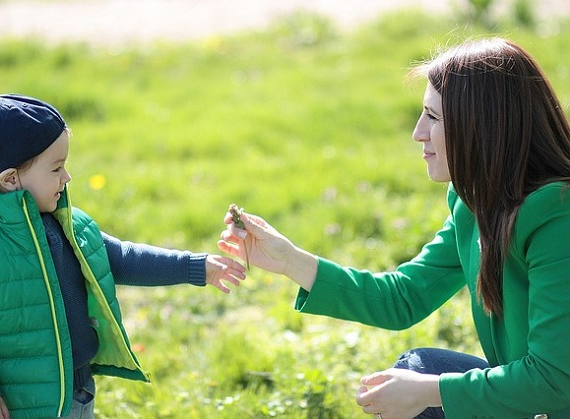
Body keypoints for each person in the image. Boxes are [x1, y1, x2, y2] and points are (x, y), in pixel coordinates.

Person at [218, 37, 570, 418]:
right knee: (415, 370)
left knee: (421, 384)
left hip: (550, 398)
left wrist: (430, 392)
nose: (418, 132)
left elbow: (554, 381)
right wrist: (288, 259)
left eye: (434, 118)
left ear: (482, 126)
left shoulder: (556, 217)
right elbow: (403, 298)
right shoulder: (474, 204)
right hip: (539, 401)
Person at [0, 94, 246, 419]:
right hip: (24, 401)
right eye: (56, 168)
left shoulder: (70, 226)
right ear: (10, 179)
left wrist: (194, 267)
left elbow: (123, 259)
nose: (67, 177)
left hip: (79, 388)